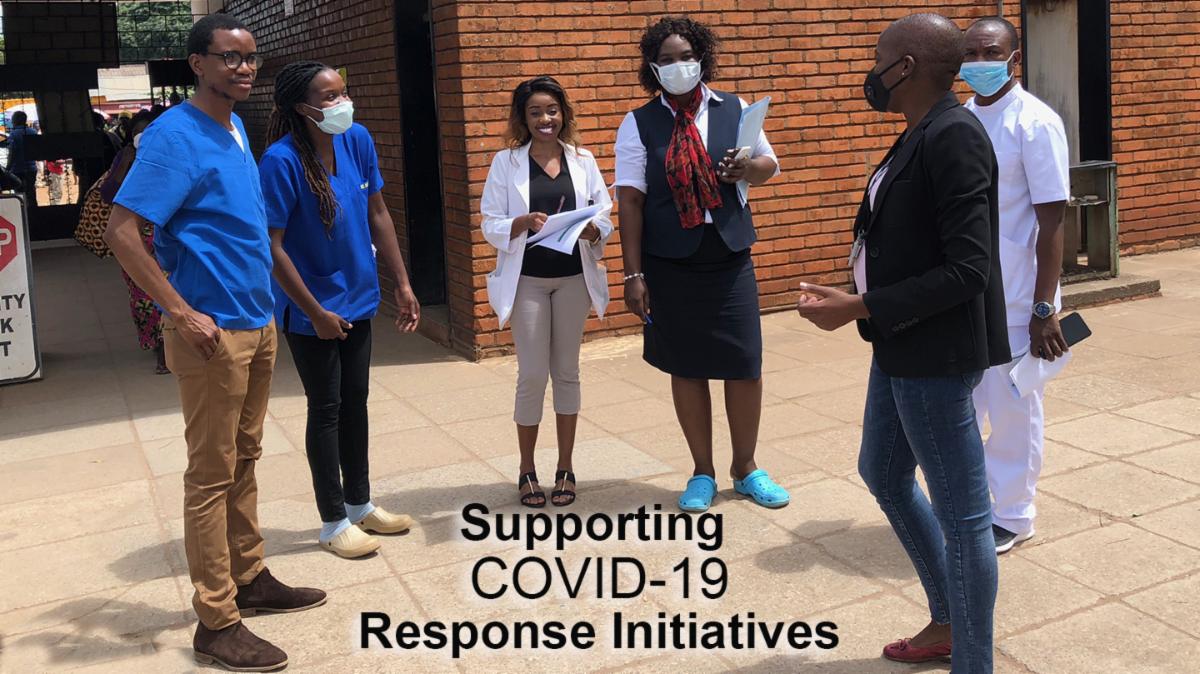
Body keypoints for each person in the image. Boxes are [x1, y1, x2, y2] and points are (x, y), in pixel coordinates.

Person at [103, 14, 325, 672]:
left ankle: (250, 578)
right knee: (209, 475)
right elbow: (122, 229)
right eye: (229, 58)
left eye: (250, 58)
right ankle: (216, 620)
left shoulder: (233, 126)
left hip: (255, 322)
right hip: (212, 333)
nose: (243, 68)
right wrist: (179, 311)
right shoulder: (174, 136)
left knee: (245, 459)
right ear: (197, 63)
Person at [795, 13, 1009, 672]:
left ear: (906, 68)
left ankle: (972, 659)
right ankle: (948, 620)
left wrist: (862, 304)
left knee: (966, 514)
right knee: (883, 472)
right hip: (899, 342)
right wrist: (862, 297)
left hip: (935, 354)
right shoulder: (918, 133)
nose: (873, 69)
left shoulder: (954, 137)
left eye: (879, 57)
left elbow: (968, 269)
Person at [614, 16, 786, 513]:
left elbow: (768, 166)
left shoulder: (734, 109)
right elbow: (630, 201)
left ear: (702, 58)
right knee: (686, 367)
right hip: (670, 262)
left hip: (729, 254)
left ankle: (746, 467)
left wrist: (746, 168)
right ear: (652, 67)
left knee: (744, 365)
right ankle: (703, 472)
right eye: (666, 60)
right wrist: (632, 274)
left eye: (686, 56)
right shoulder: (639, 123)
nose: (678, 66)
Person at [260, 60, 420, 558]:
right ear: (300, 108)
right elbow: (273, 246)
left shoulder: (358, 141)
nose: (341, 103)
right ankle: (332, 521)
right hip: (312, 311)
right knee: (325, 408)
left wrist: (403, 281)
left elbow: (378, 213)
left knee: (356, 401)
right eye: (328, 97)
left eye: (342, 92)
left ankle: (360, 504)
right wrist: (314, 311)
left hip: (358, 297)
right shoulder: (280, 162)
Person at [962, 16, 1071, 555]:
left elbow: (1052, 219)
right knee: (971, 405)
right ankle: (977, 502)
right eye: (972, 52)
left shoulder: (1034, 122)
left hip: (1019, 295)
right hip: (966, 291)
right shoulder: (961, 118)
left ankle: (1014, 514)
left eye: (991, 51)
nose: (980, 61)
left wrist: (1044, 306)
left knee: (1012, 410)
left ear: (1014, 55)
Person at [481, 76, 613, 508]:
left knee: (568, 372)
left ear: (563, 114)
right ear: (523, 117)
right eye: (535, 111)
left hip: (574, 277)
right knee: (533, 375)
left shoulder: (582, 159)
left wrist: (596, 230)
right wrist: (520, 224)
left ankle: (566, 468)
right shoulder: (507, 162)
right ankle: (526, 470)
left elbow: (604, 212)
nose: (545, 119)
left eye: (552, 110)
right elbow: (489, 222)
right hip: (528, 282)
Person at [99, 110, 169, 374]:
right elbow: (108, 194)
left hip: (166, 237)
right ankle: (158, 342)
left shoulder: (168, 158)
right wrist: (127, 165)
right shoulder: (125, 158)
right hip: (135, 239)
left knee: (169, 288)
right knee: (143, 294)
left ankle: (167, 345)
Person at [4, 111, 38, 208]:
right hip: (31, 168)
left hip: (18, 169)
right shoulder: (33, 132)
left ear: (15, 121)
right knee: (31, 192)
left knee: (19, 193)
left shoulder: (14, 134)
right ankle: (34, 212)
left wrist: (8, 168)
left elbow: (12, 153)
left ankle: (23, 214)